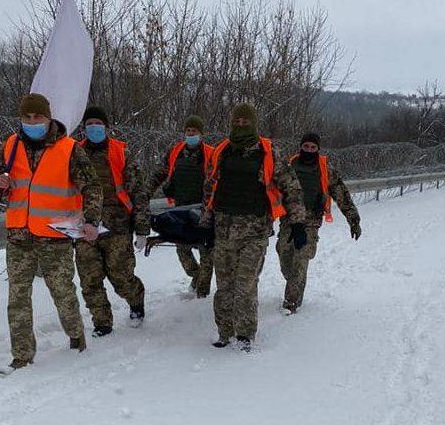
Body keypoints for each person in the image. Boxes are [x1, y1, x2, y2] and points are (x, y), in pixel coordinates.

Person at [0, 93, 103, 376]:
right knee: (17, 298)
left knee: (62, 292)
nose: (32, 122)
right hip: (19, 234)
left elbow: (91, 187)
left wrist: (91, 221)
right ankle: (22, 355)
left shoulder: (69, 149)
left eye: (37, 117)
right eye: (26, 117)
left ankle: (76, 335)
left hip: (54, 235)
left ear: (49, 118)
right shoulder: (11, 146)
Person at [202, 103, 306, 352]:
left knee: (245, 284)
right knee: (224, 285)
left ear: (254, 124)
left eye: (245, 122)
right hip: (224, 229)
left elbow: (291, 187)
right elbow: (210, 189)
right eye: (237, 122)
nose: (240, 126)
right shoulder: (222, 151)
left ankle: (244, 335)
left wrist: (298, 222)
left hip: (255, 231)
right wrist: (206, 223)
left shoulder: (268, 152)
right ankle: (224, 332)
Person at [73, 106, 151, 336]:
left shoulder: (120, 152)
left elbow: (138, 192)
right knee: (90, 279)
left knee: (121, 276)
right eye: (89, 124)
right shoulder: (74, 153)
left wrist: (142, 227)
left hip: (117, 226)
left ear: (106, 127)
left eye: (98, 123)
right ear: (84, 128)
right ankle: (102, 323)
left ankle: (136, 301)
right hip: (85, 226)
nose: (94, 127)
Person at [276, 132, 361, 314]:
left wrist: (353, 219)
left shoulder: (325, 169)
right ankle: (294, 283)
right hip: (288, 220)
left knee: (301, 259)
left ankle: (291, 302)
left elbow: (341, 193)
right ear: (301, 147)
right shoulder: (289, 166)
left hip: (311, 221)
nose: (309, 150)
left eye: (313, 147)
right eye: (306, 146)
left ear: (318, 149)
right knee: (285, 257)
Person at [147, 115, 215, 297]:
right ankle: (196, 275)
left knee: (206, 251)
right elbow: (160, 173)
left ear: (201, 133)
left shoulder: (210, 153)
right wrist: (146, 193)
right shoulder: (176, 151)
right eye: (188, 131)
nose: (191, 134)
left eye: (194, 131)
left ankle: (202, 294)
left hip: (203, 210)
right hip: (179, 208)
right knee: (182, 248)